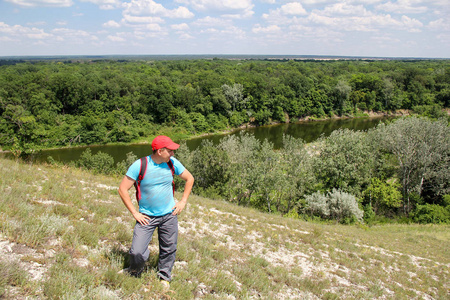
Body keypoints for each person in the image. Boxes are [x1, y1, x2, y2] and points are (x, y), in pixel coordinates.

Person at [118, 135, 194, 286]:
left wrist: (183, 201)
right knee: (137, 252)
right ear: (160, 151)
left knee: (169, 248)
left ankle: (164, 276)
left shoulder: (172, 163)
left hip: (169, 214)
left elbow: (189, 178)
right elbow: (122, 189)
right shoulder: (140, 165)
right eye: (170, 151)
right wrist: (135, 212)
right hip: (146, 216)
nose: (173, 153)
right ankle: (135, 270)